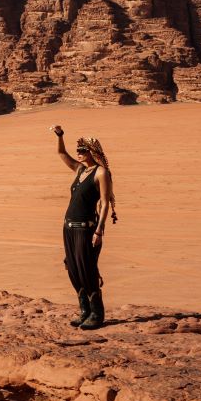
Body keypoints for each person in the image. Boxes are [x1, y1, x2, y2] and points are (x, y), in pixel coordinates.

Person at [49, 125, 117, 329]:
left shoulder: (101, 173)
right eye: (77, 150)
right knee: (73, 269)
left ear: (92, 151)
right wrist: (60, 136)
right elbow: (61, 153)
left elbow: (104, 203)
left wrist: (99, 230)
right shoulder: (80, 170)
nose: (78, 153)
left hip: (86, 228)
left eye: (82, 150)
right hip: (69, 227)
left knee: (87, 269)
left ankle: (97, 313)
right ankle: (84, 311)